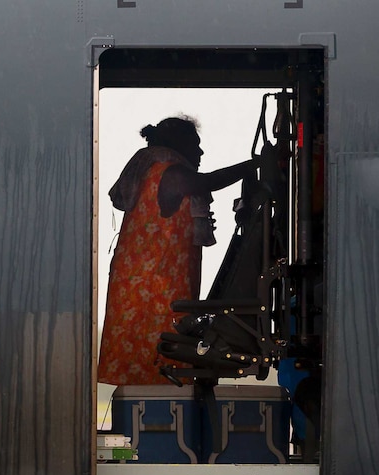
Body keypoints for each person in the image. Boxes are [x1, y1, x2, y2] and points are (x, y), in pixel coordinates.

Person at [98, 116, 259, 386]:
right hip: (154, 287)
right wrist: (254, 165)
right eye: (194, 144)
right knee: (161, 351)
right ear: (178, 144)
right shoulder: (167, 171)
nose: (200, 152)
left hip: (154, 283)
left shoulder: (155, 168)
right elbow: (207, 182)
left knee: (152, 357)